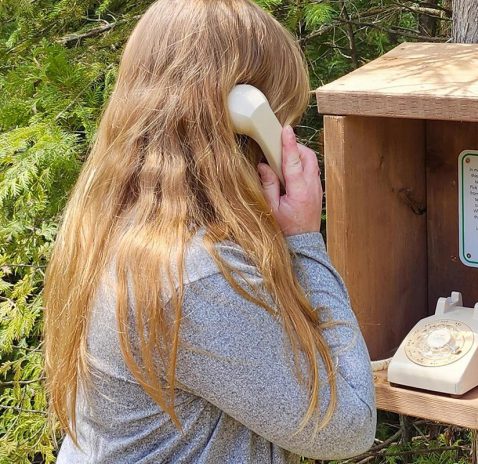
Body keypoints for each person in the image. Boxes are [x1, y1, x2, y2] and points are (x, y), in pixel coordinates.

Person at [42, 0, 376, 462]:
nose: (287, 135)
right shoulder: (196, 278)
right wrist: (303, 237)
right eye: (282, 119)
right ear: (245, 120)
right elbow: (348, 425)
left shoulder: (122, 236)